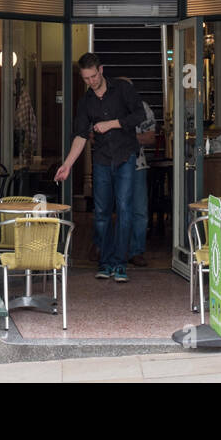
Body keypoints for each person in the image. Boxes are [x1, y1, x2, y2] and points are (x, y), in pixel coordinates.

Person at [55, 54, 146, 283]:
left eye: (93, 76)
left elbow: (139, 115)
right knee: (102, 213)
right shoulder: (86, 102)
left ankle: (120, 264)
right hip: (102, 160)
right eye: (86, 78)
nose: (91, 82)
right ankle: (105, 263)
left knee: (125, 209)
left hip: (125, 156)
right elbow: (80, 135)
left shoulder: (123, 89)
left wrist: (112, 123)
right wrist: (67, 164)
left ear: (101, 70)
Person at [116, 77, 156, 268]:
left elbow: (150, 137)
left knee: (140, 210)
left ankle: (136, 251)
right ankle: (114, 250)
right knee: (114, 208)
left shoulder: (143, 107)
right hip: (113, 164)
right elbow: (94, 134)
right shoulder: (109, 107)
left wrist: (124, 137)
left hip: (138, 164)